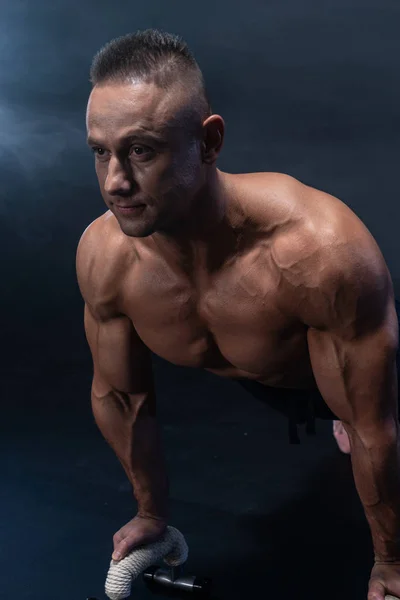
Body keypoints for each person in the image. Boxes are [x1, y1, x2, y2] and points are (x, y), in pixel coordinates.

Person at [76, 29, 400, 600]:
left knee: (367, 428)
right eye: (101, 152)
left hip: (345, 350)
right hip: (279, 366)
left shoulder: (317, 253)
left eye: (142, 150)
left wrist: (390, 564)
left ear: (209, 142)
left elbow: (376, 428)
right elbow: (122, 397)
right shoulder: (106, 258)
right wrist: (151, 514)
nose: (115, 182)